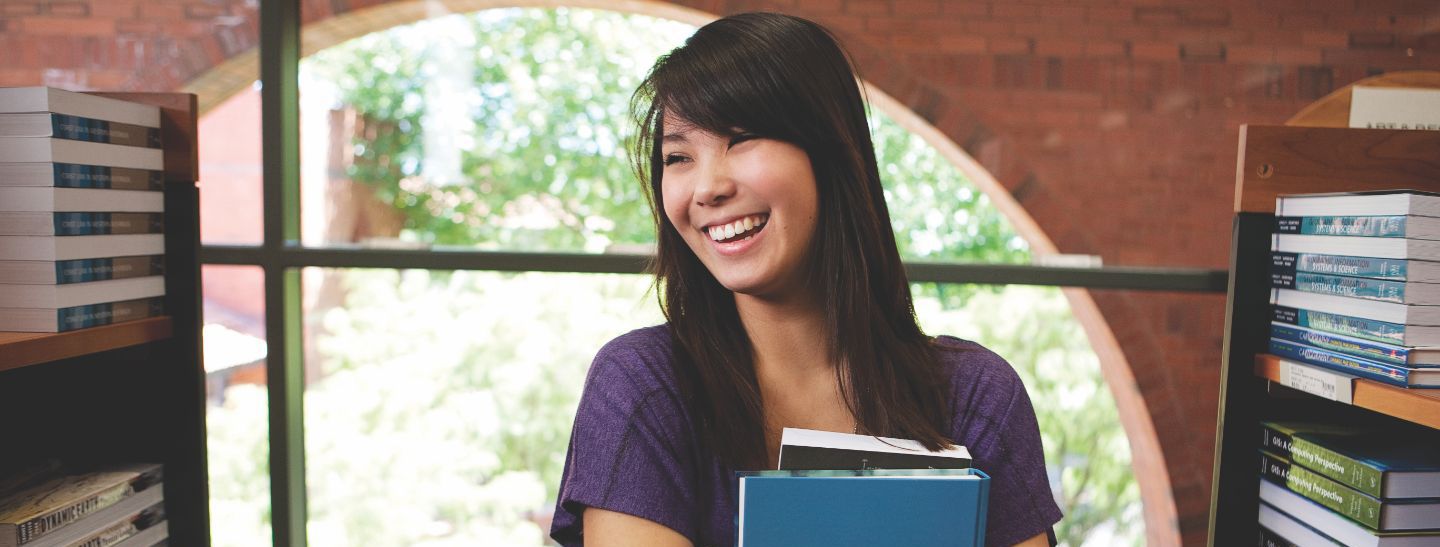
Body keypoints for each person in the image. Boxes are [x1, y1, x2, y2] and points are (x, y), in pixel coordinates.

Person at [550, 12, 1062, 547]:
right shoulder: (645, 388)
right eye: (678, 156)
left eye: (741, 139)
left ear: (830, 151)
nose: (706, 187)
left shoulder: (975, 396)